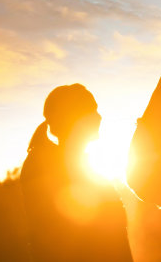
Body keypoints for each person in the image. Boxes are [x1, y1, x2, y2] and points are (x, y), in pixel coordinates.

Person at [20, 84, 133, 262]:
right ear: (74, 118)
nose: (99, 116)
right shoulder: (43, 166)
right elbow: (55, 241)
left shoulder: (86, 166)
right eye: (92, 110)